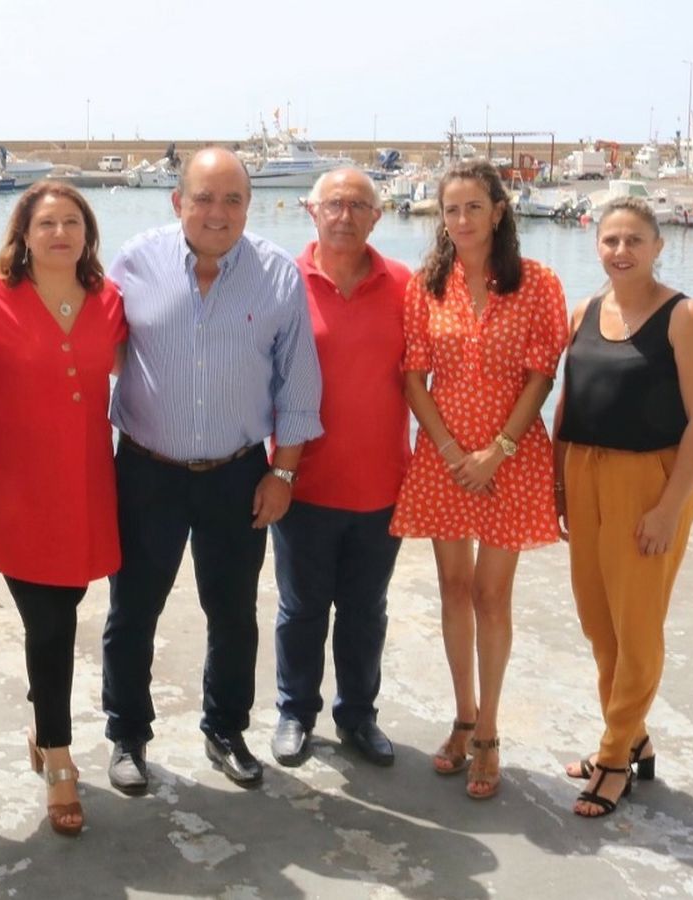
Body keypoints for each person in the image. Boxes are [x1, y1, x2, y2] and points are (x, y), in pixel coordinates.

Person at [102, 146, 323, 795]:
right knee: (132, 610)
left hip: (236, 472)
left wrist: (282, 475)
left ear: (248, 207)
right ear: (178, 202)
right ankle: (127, 735)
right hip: (146, 470)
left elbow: (299, 387)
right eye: (204, 197)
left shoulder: (278, 275)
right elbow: (91, 347)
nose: (218, 212)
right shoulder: (134, 263)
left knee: (231, 611)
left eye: (232, 200)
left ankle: (225, 728)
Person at [389, 160, 569, 800]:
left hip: (510, 457)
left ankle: (490, 729)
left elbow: (542, 373)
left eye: (473, 207)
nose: (461, 220)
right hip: (442, 454)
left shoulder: (538, 283)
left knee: (493, 596)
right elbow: (413, 374)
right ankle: (462, 715)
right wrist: (445, 447)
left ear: (499, 211)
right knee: (453, 587)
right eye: (450, 209)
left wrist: (498, 448)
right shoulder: (424, 286)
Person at [0, 182, 126, 836]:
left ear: (87, 234)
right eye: (46, 223)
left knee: (65, 610)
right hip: (15, 495)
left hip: (86, 489)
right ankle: (58, 756)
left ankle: (42, 720)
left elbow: (141, 380)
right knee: (50, 623)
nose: (60, 233)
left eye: (71, 222)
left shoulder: (111, 303)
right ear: (23, 235)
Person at [553, 196, 693, 818]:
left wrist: (668, 507)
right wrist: (558, 482)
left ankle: (615, 755)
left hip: (649, 483)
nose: (621, 252)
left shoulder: (684, 316)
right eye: (610, 241)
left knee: (637, 628)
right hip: (585, 475)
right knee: (599, 622)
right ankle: (634, 735)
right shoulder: (583, 312)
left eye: (633, 241)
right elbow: (568, 408)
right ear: (597, 246)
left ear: (657, 246)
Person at [270, 168, 412, 768]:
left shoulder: (404, 285)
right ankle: (295, 712)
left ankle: (358, 715)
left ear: (377, 217)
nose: (345, 216)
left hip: (382, 484)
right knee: (301, 610)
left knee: (365, 612)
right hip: (303, 483)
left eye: (359, 205)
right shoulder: (282, 283)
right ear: (312, 211)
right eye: (334, 204)